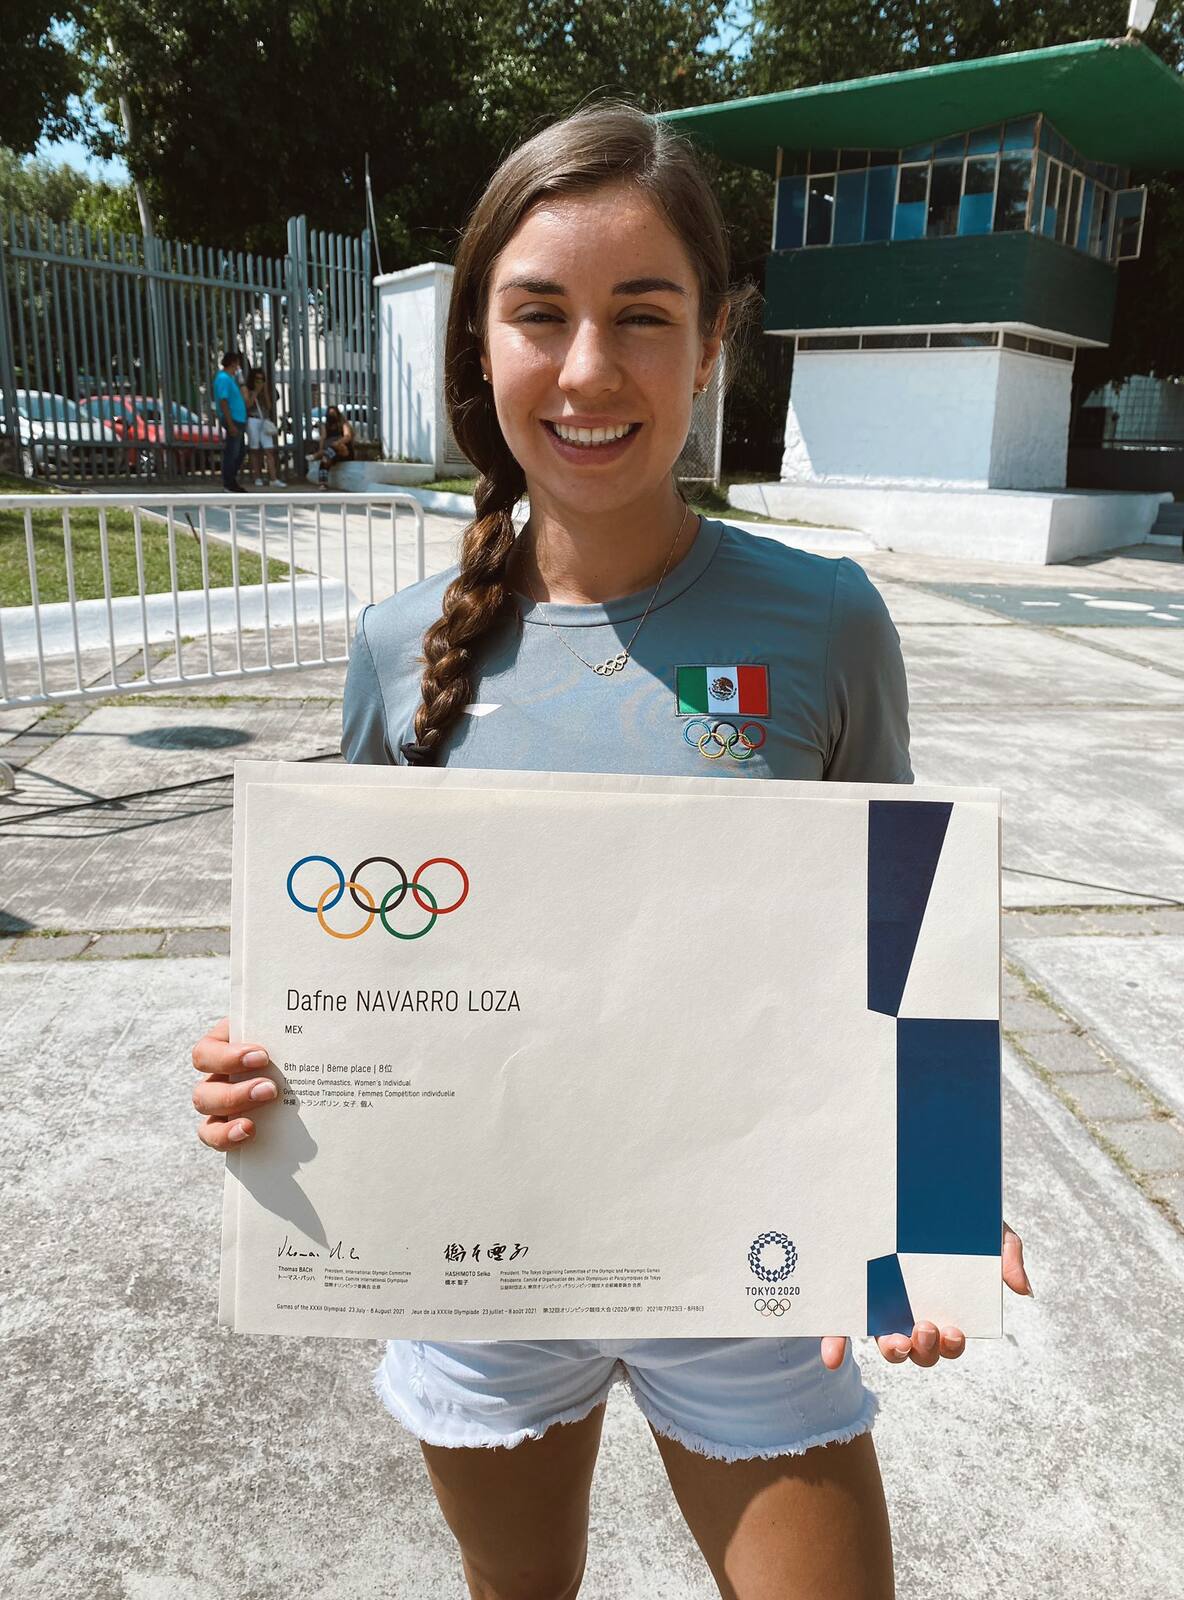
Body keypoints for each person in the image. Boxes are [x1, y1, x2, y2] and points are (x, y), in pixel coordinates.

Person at [190, 101, 1032, 1599]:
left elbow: (904, 918)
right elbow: (354, 962)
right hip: (481, 1269)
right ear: (481, 347)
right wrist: (269, 1074)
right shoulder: (397, 648)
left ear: (714, 345)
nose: (588, 371)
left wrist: (935, 1186)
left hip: (751, 1258)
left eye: (643, 318)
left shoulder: (827, 621)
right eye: (540, 316)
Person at [212, 351, 247, 492]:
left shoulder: (229, 379)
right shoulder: (223, 378)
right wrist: (230, 423)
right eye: (237, 363)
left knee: (240, 451)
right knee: (233, 452)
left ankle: (231, 479)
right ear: (233, 363)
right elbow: (224, 401)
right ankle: (229, 482)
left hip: (238, 419)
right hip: (233, 419)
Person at [246, 367, 285, 487]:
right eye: (257, 379)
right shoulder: (248, 390)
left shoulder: (265, 391)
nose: (259, 382)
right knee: (254, 450)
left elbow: (268, 406)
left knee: (269, 449)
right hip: (252, 419)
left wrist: (265, 391)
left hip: (264, 420)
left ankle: (273, 478)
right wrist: (256, 392)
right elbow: (248, 405)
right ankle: (257, 477)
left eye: (262, 379)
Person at [307, 404, 354, 488]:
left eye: (333, 413)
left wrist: (338, 442)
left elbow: (348, 436)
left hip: (344, 451)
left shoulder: (343, 424)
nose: (332, 415)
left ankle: (317, 455)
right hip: (331, 452)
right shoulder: (326, 426)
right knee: (325, 460)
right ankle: (323, 483)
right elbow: (323, 437)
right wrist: (321, 449)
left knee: (335, 447)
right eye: (330, 413)